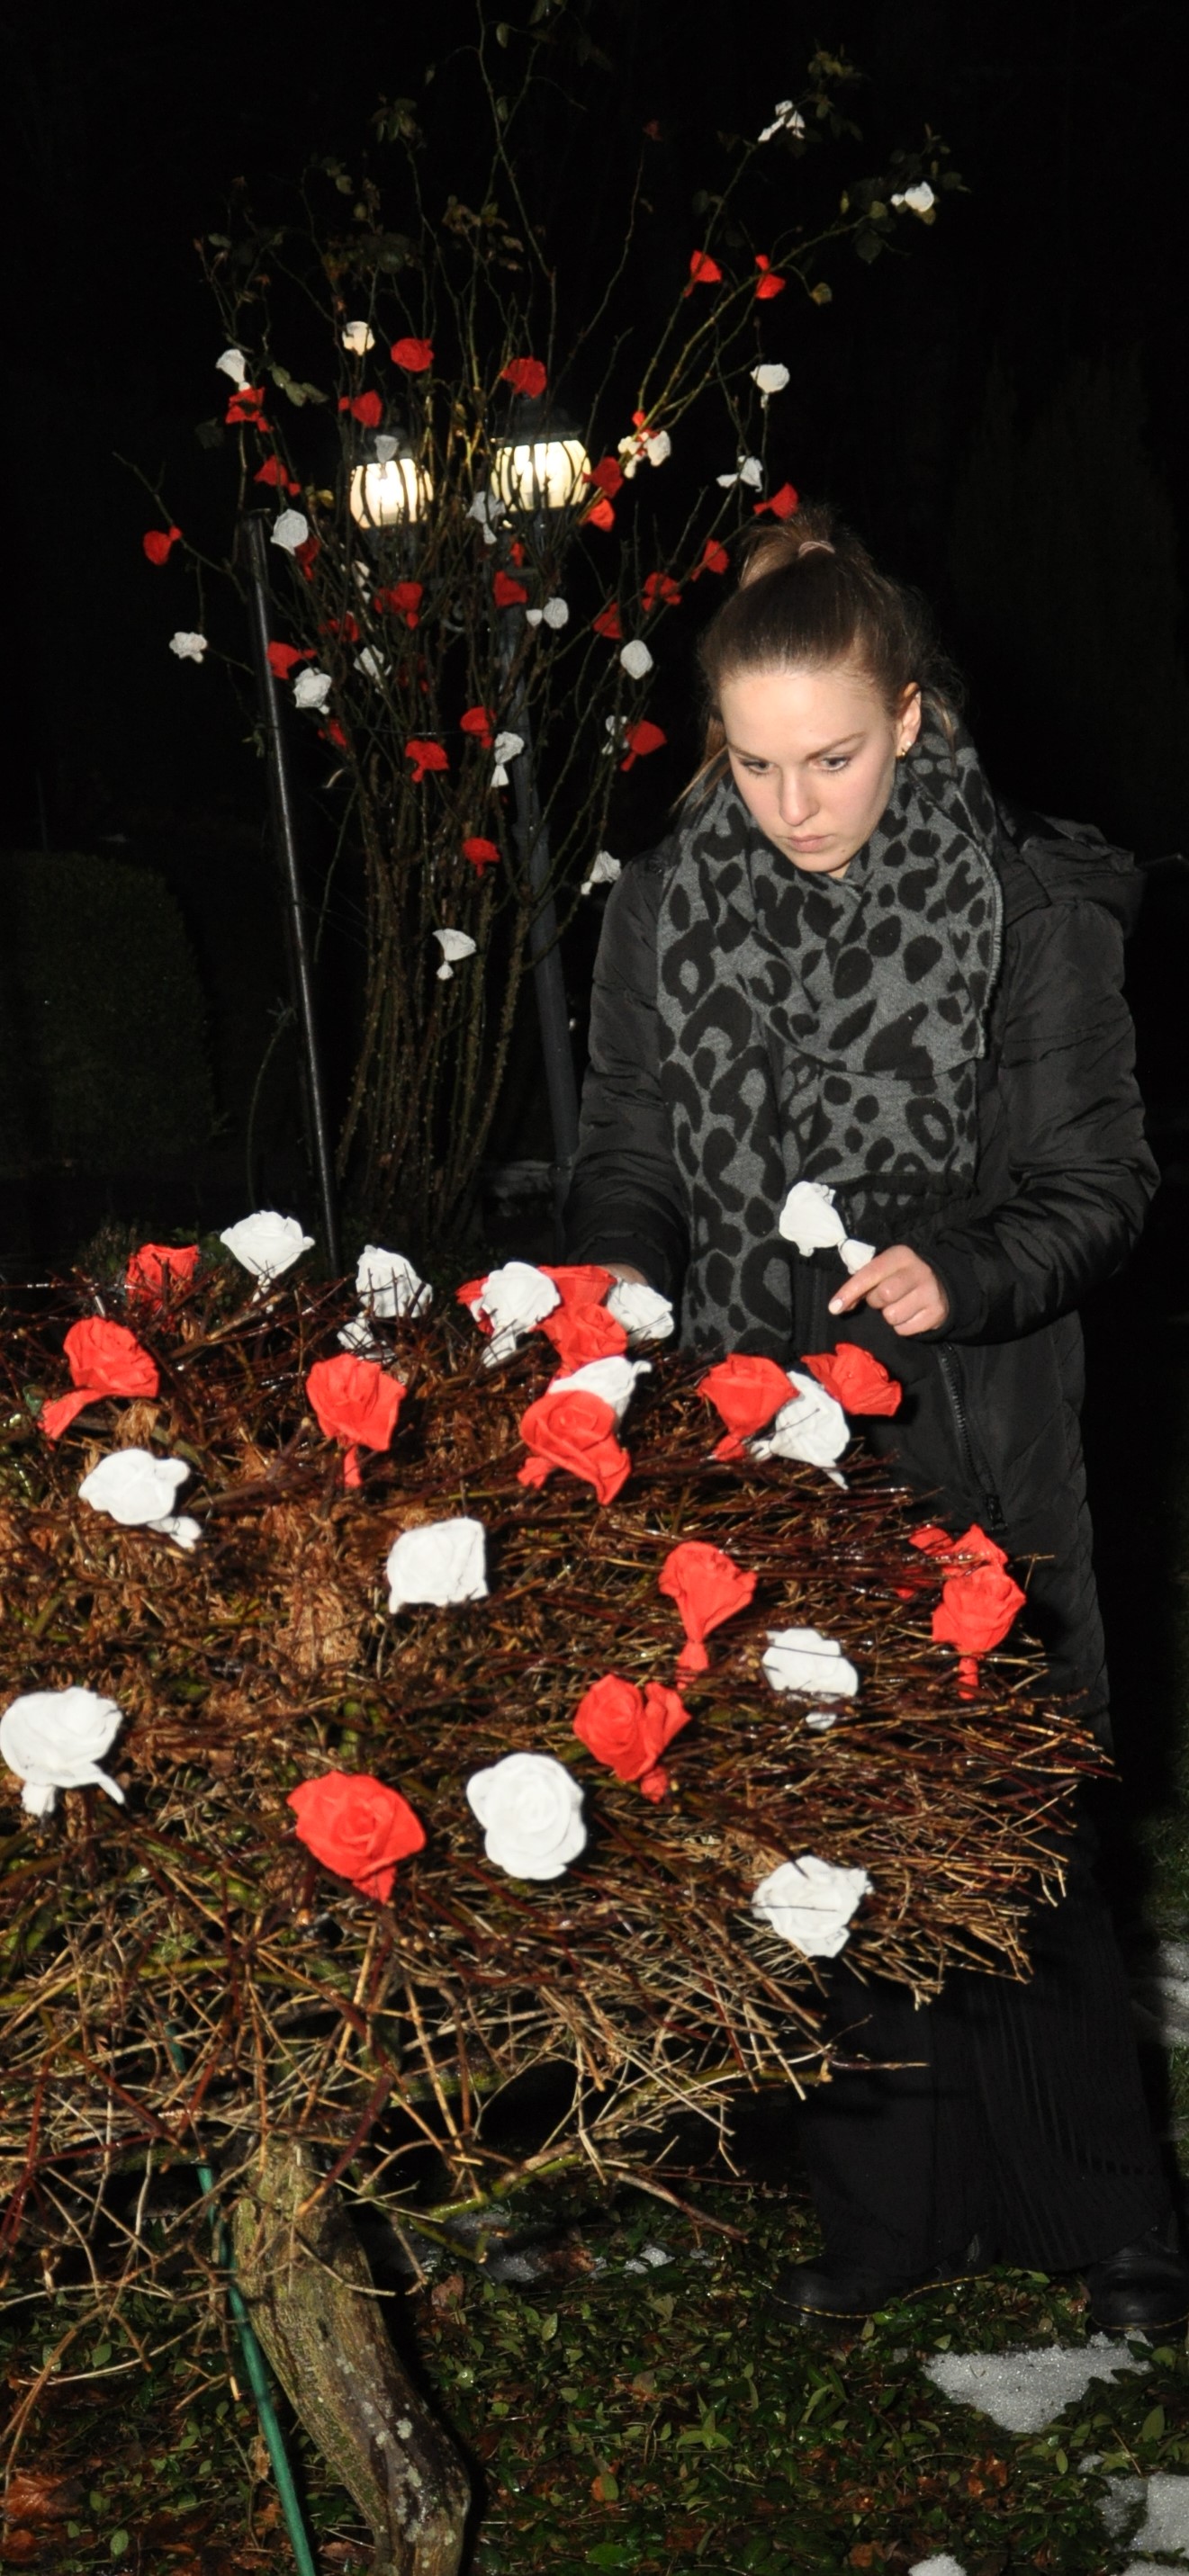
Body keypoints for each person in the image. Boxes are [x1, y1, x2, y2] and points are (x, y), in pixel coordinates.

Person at [564, 503, 1189, 2329]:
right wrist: (617, 1296)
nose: (795, 803)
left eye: (831, 758)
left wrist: (961, 1270)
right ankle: (884, 2210)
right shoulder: (665, 905)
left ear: (909, 715)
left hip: (971, 1411)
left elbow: (1100, 1184)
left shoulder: (1028, 904)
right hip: (754, 1421)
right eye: (757, 765)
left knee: (1013, 1795)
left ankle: (1103, 2214)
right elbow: (626, 1158)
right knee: (806, 1798)